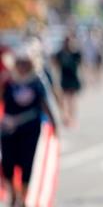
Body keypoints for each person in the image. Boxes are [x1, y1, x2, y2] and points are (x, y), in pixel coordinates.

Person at [0, 44, 58, 207]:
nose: (22, 66)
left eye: (25, 62)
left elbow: (46, 104)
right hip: (8, 130)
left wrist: (55, 125)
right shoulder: (8, 81)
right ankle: (13, 194)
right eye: (19, 62)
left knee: (27, 164)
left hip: (30, 129)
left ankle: (24, 197)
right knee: (8, 164)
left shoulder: (37, 80)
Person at [53, 32, 83, 127]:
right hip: (64, 78)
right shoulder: (60, 53)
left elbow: (80, 64)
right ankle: (66, 117)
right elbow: (55, 64)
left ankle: (72, 117)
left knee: (72, 99)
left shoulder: (75, 53)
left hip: (73, 78)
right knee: (64, 99)